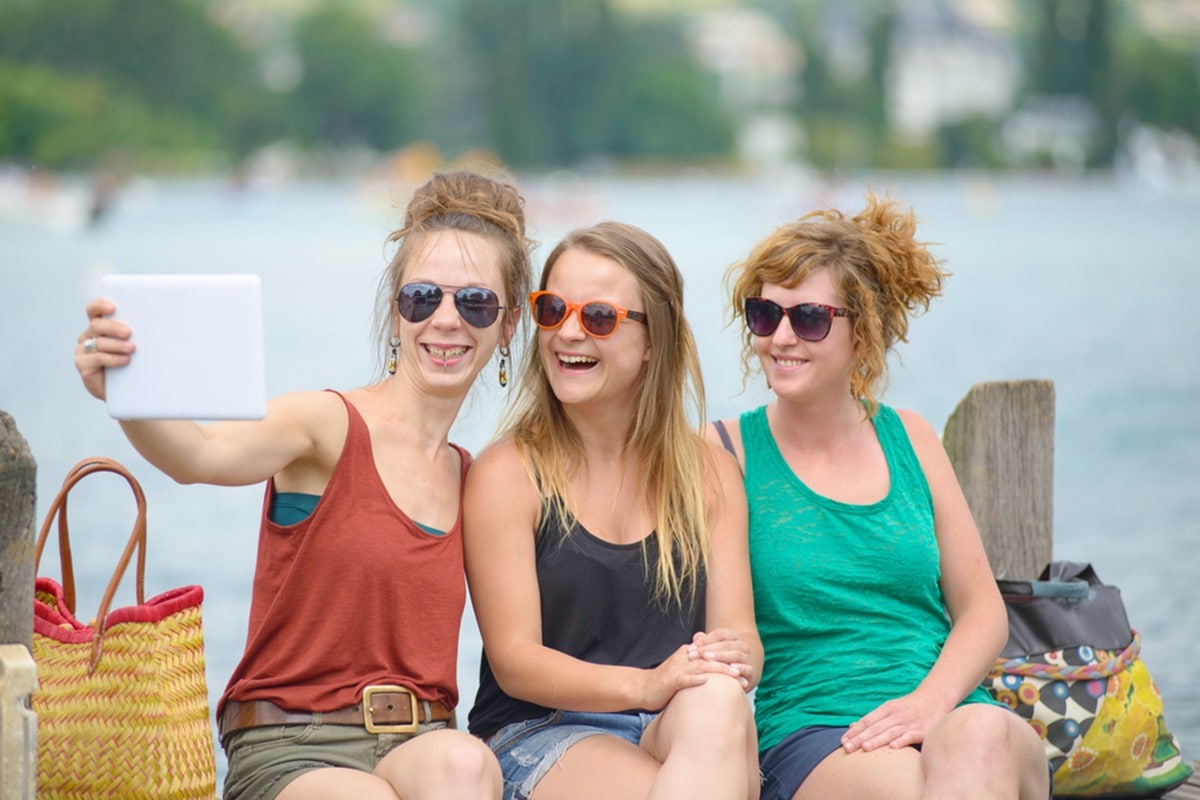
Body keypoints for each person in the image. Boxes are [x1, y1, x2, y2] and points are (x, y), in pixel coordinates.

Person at [72, 169, 533, 800]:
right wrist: (126, 392)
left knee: (470, 766)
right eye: (422, 297)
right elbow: (200, 454)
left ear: (507, 326)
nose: (446, 321)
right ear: (397, 310)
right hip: (293, 748)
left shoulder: (477, 479)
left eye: (475, 303)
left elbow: (529, 639)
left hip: (422, 745)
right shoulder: (325, 425)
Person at [707, 191, 1051, 800]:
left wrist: (929, 703)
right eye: (765, 314)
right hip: (817, 732)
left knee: (981, 740)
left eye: (808, 318)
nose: (781, 337)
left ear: (860, 335)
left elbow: (982, 611)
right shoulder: (724, 454)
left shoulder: (911, 438)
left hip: (949, 708)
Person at [462, 221, 762, 800]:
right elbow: (516, 661)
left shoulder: (709, 474)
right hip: (543, 726)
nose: (568, 334)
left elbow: (741, 634)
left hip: (678, 723)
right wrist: (647, 685)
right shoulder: (508, 474)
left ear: (654, 341)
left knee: (720, 699)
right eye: (552, 310)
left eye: (598, 317)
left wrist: (733, 658)